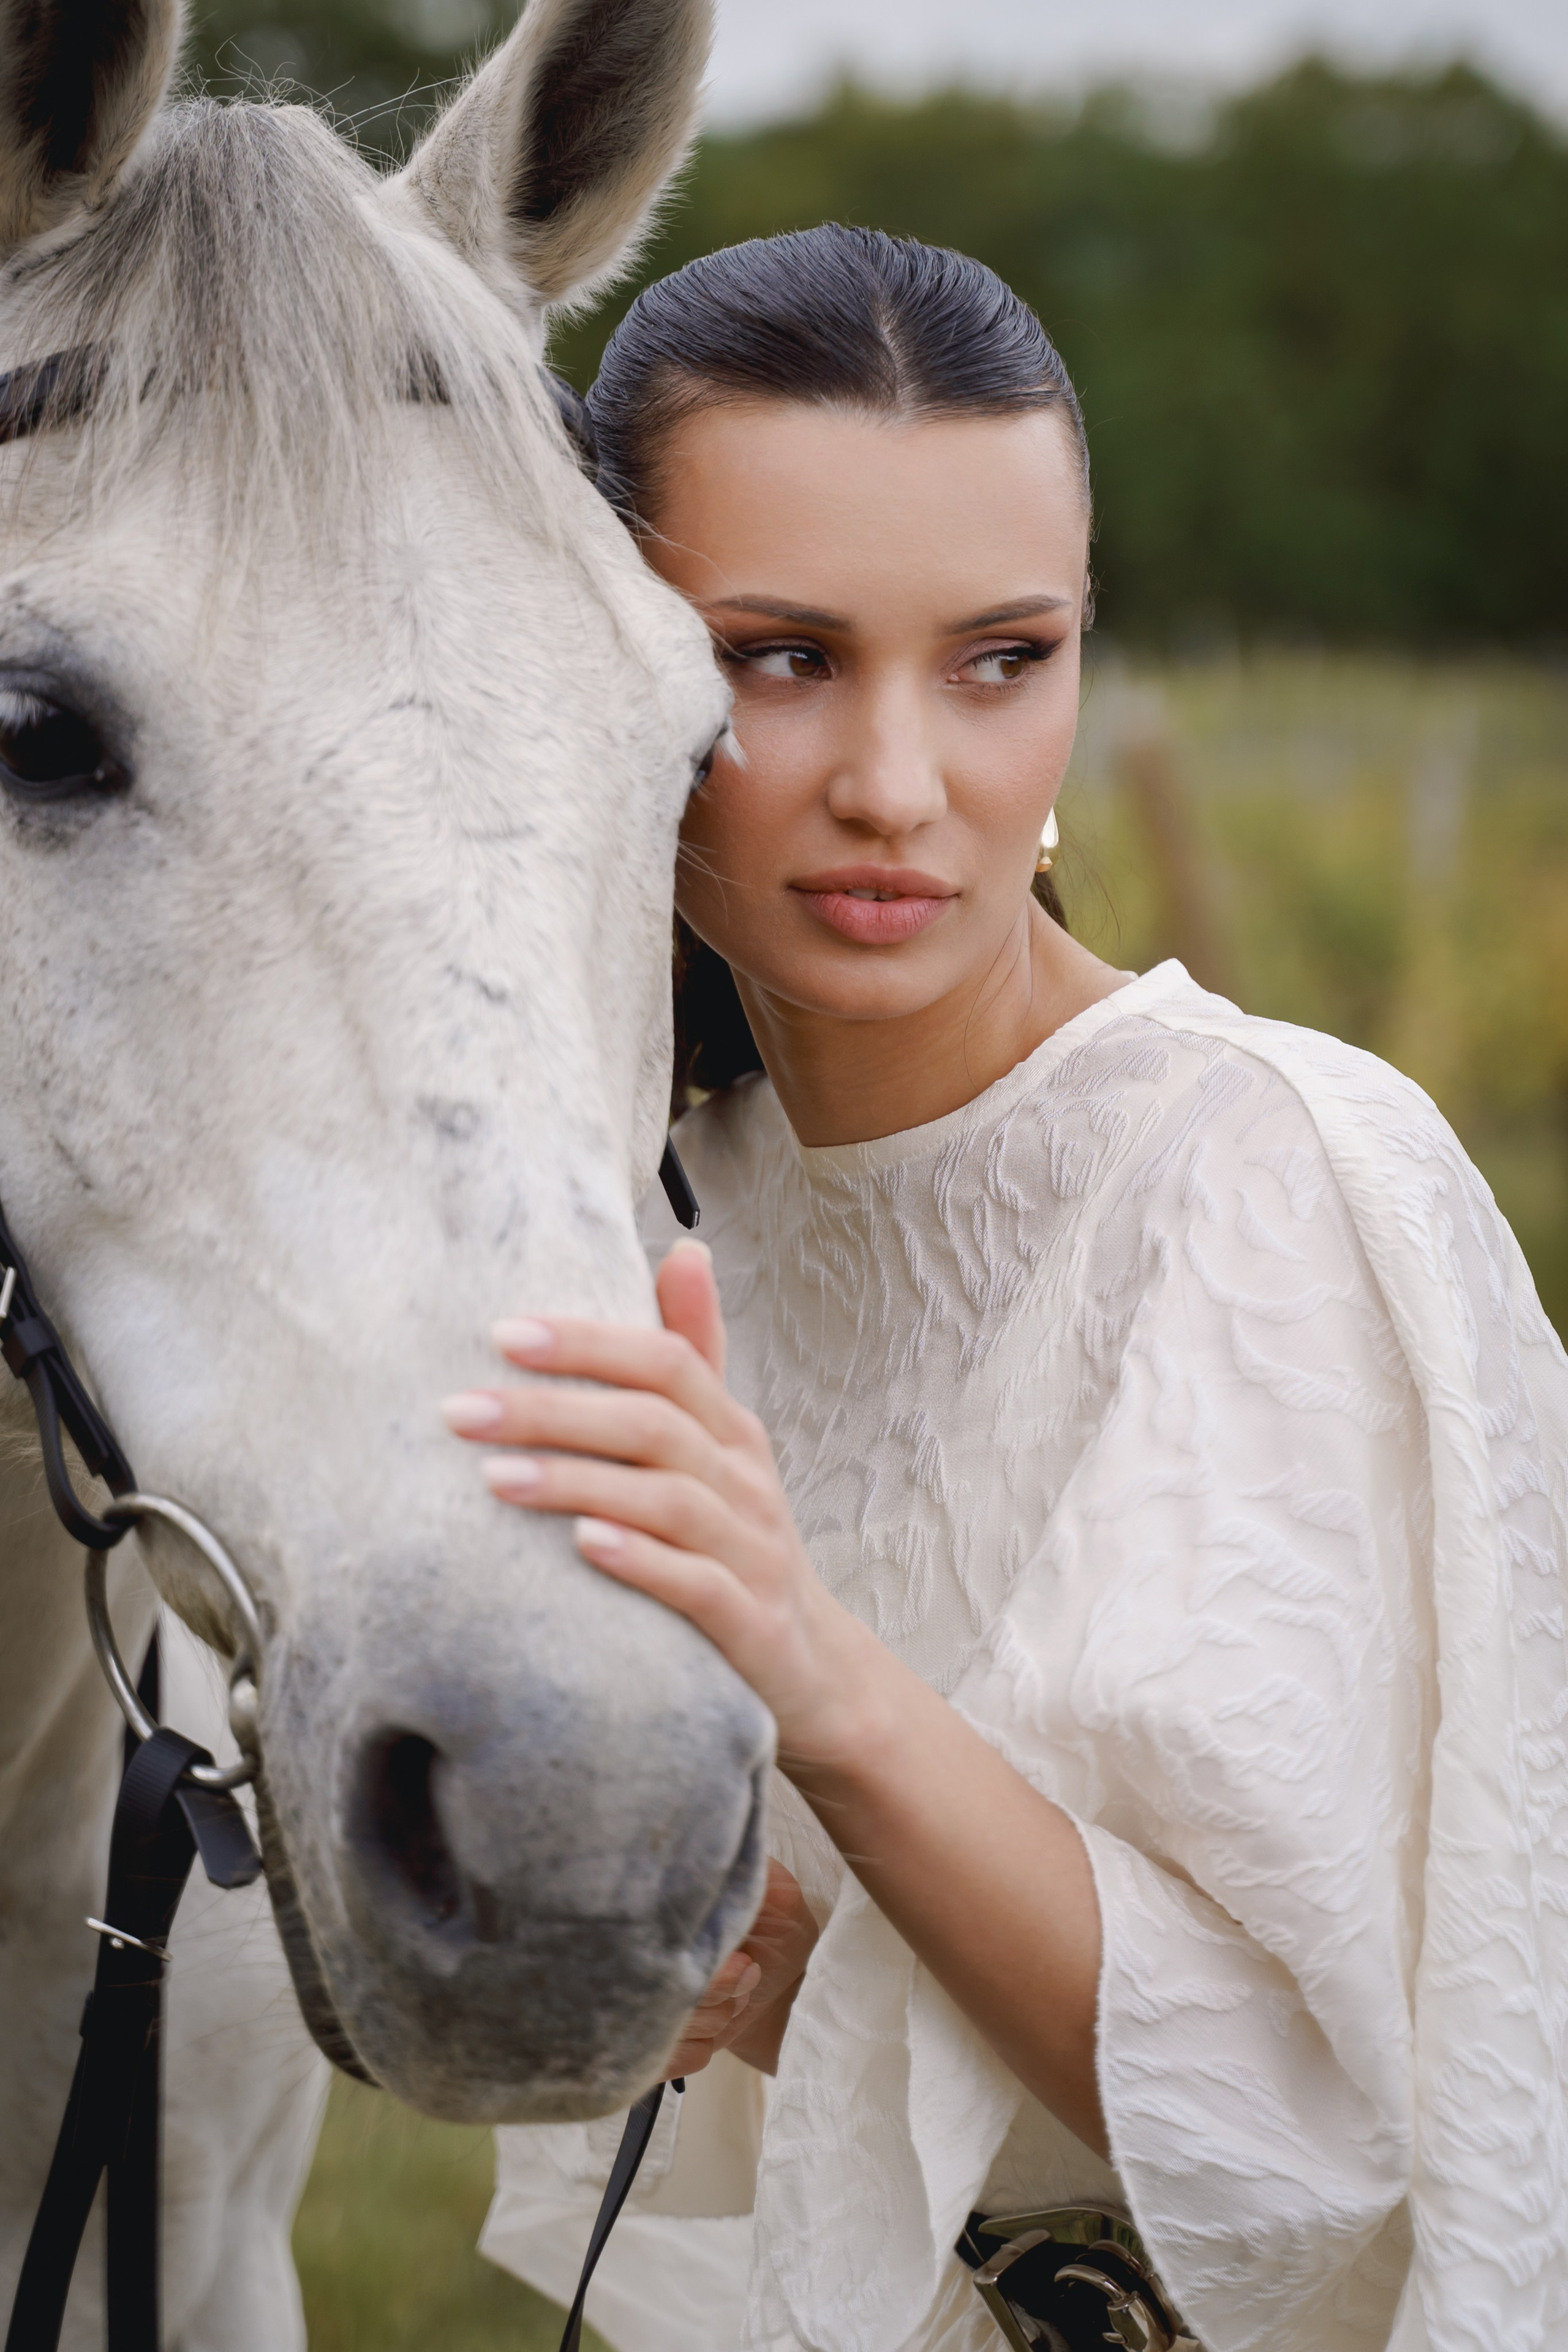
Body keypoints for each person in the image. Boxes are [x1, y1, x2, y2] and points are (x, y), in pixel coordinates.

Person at [443, 227, 1568, 2352]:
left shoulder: (1274, 1185)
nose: (901, 780)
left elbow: (1306, 2143)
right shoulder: (666, 1193)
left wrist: (810, 1666)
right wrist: (783, 1976)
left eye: (998, 658)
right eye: (779, 656)